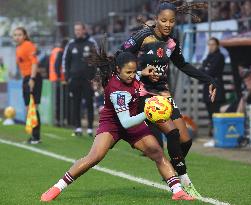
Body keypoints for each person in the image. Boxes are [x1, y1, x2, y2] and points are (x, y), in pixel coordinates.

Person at [40, 51, 194, 202]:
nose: (132, 75)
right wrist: (148, 112)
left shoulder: (130, 76)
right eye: (129, 72)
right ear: (118, 70)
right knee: (94, 157)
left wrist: (142, 72)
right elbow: (125, 122)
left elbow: (133, 77)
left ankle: (178, 191)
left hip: (133, 122)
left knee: (157, 152)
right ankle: (57, 187)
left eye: (134, 71)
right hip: (113, 124)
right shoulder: (118, 91)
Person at [119, 0, 217, 197]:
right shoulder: (143, 35)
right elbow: (120, 56)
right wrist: (140, 71)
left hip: (163, 93)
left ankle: (170, 172)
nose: (167, 24)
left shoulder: (172, 41)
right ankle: (184, 182)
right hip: (144, 93)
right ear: (156, 19)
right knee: (171, 135)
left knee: (186, 141)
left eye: (171, 21)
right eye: (163, 20)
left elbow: (182, 64)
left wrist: (209, 79)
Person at [62, 22, 98, 137]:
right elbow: (65, 62)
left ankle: (89, 129)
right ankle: (77, 127)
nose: (77, 32)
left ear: (84, 30)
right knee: (76, 103)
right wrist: (67, 77)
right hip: (74, 79)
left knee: (89, 103)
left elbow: (97, 60)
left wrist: (96, 78)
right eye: (75, 30)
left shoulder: (91, 43)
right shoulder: (70, 44)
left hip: (88, 79)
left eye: (79, 29)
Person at [13, 27, 42, 144]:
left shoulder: (28, 45)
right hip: (26, 78)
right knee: (29, 107)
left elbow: (34, 62)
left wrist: (32, 78)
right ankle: (34, 136)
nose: (17, 37)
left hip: (32, 77)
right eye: (15, 35)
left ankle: (36, 136)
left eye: (19, 34)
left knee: (33, 106)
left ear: (24, 35)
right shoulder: (18, 48)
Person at [200, 37, 225, 147]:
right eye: (209, 44)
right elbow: (201, 72)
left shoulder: (220, 56)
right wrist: (205, 70)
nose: (211, 46)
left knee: (216, 114)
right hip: (207, 88)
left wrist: (205, 70)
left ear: (217, 45)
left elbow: (211, 71)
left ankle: (217, 138)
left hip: (216, 89)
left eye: (213, 44)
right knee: (210, 114)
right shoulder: (208, 57)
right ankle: (213, 137)